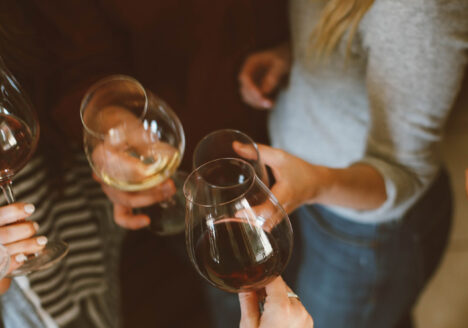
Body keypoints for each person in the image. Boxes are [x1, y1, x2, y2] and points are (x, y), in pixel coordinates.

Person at [0, 0, 292, 327]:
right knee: (235, 290)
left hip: (295, 148)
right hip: (188, 163)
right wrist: (111, 126)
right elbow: (75, 59)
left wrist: (289, 51)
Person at [238, 0, 468, 327]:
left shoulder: (419, 10)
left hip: (366, 235)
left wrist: (316, 184)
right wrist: (293, 55)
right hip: (307, 195)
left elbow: (403, 170)